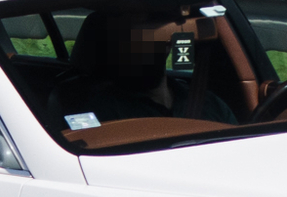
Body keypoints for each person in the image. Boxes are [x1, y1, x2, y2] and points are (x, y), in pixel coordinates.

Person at [49, 7, 239, 128]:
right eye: (128, 36)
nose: (138, 44)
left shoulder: (209, 104)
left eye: (149, 36)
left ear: (167, 44)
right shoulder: (90, 110)